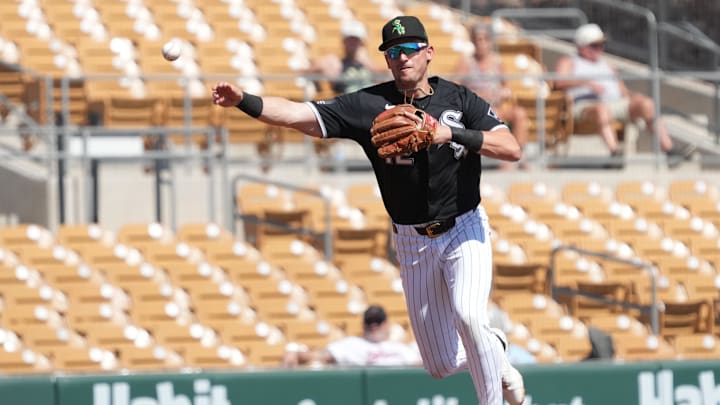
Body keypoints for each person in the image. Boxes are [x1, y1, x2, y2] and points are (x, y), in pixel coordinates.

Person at [212, 15, 525, 405]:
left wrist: (448, 132)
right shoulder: (369, 104)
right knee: (441, 365)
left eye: (410, 49)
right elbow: (299, 115)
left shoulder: (460, 100)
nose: (402, 58)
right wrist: (245, 101)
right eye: (393, 52)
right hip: (412, 241)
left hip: (464, 227)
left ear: (428, 53)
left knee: (469, 315)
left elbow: (511, 148)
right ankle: (495, 350)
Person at [553, 23, 674, 156]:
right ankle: (614, 151)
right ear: (582, 46)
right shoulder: (569, 62)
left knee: (647, 104)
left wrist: (635, 99)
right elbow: (559, 83)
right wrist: (586, 83)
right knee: (601, 109)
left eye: (601, 44)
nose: (600, 48)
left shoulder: (608, 66)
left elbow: (623, 93)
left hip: (614, 104)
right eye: (595, 45)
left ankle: (669, 150)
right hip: (583, 106)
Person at [454, 22, 529, 169]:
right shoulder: (466, 62)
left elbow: (507, 87)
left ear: (490, 41)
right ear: (473, 41)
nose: (481, 43)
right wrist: (476, 95)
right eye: (478, 39)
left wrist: (500, 93)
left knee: (519, 114)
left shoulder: (497, 62)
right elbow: (455, 87)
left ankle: (518, 154)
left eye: (484, 39)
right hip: (473, 109)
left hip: (494, 107)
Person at [282, 305, 422, 367]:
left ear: (386, 324)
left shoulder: (400, 348)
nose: (373, 325)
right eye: (369, 321)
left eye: (377, 321)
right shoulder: (352, 344)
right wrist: (296, 353)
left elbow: (422, 367)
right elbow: (319, 356)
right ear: (363, 325)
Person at [307, 20, 385, 95]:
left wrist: (368, 64)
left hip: (367, 101)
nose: (352, 43)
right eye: (349, 39)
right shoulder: (335, 63)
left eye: (355, 40)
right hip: (345, 103)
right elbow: (307, 72)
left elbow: (388, 76)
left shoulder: (368, 64)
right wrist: (318, 85)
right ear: (344, 41)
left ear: (361, 42)